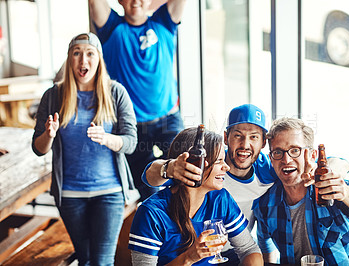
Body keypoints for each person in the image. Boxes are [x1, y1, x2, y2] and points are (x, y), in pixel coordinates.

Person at [142, 104, 349, 264]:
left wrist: (333, 169)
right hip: (181, 251)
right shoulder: (208, 165)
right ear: (226, 138)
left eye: (254, 137)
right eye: (238, 136)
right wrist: (168, 168)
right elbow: (149, 176)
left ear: (263, 143)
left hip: (233, 251)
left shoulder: (271, 169)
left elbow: (332, 160)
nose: (245, 145)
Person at [32, 33, 138, 265]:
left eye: (90, 54)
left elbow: (131, 142)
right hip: (70, 195)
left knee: (102, 262)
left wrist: (108, 138)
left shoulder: (116, 92)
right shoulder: (53, 96)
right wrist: (49, 135)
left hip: (109, 192)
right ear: (69, 59)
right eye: (77, 53)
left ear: (99, 59)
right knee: (86, 259)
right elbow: (38, 149)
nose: (83, 61)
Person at [253, 117, 349, 265]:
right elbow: (265, 246)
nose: (286, 159)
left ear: (312, 155)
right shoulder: (265, 205)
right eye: (278, 152)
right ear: (271, 159)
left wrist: (346, 193)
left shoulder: (332, 187)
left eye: (295, 150)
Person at [89, 0, 186, 202]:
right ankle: (157, 231)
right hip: (132, 126)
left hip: (168, 120)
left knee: (186, 176)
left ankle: (183, 229)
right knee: (147, 190)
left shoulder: (164, 23)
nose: (136, 1)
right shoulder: (112, 28)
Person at [128, 127, 263, 265]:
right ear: (193, 164)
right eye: (219, 161)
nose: (226, 167)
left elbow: (248, 249)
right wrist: (190, 257)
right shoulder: (151, 213)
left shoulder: (220, 199)